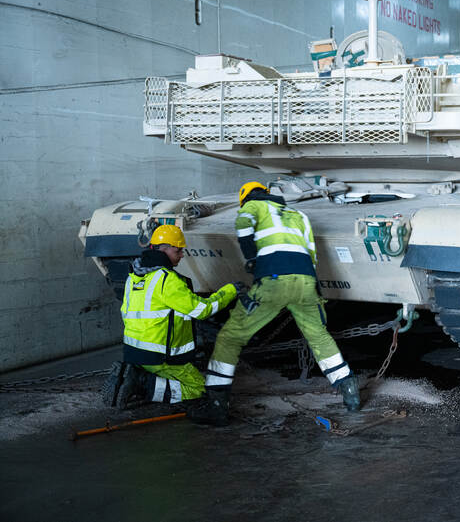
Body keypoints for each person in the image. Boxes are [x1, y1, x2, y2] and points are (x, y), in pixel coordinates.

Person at [188, 182, 360, 426]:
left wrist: (251, 259)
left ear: (245, 197)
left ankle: (216, 405)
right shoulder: (298, 214)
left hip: (274, 281)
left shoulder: (253, 206)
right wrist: (315, 292)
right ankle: (350, 392)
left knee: (229, 337)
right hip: (305, 282)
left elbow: (243, 227)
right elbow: (311, 254)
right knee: (319, 336)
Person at [102, 225, 239, 409]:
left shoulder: (134, 276)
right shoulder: (167, 280)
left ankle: (134, 374)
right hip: (160, 358)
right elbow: (202, 310)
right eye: (178, 250)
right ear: (164, 248)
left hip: (134, 352)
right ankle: (142, 384)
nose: (182, 255)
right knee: (198, 390)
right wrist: (231, 290)